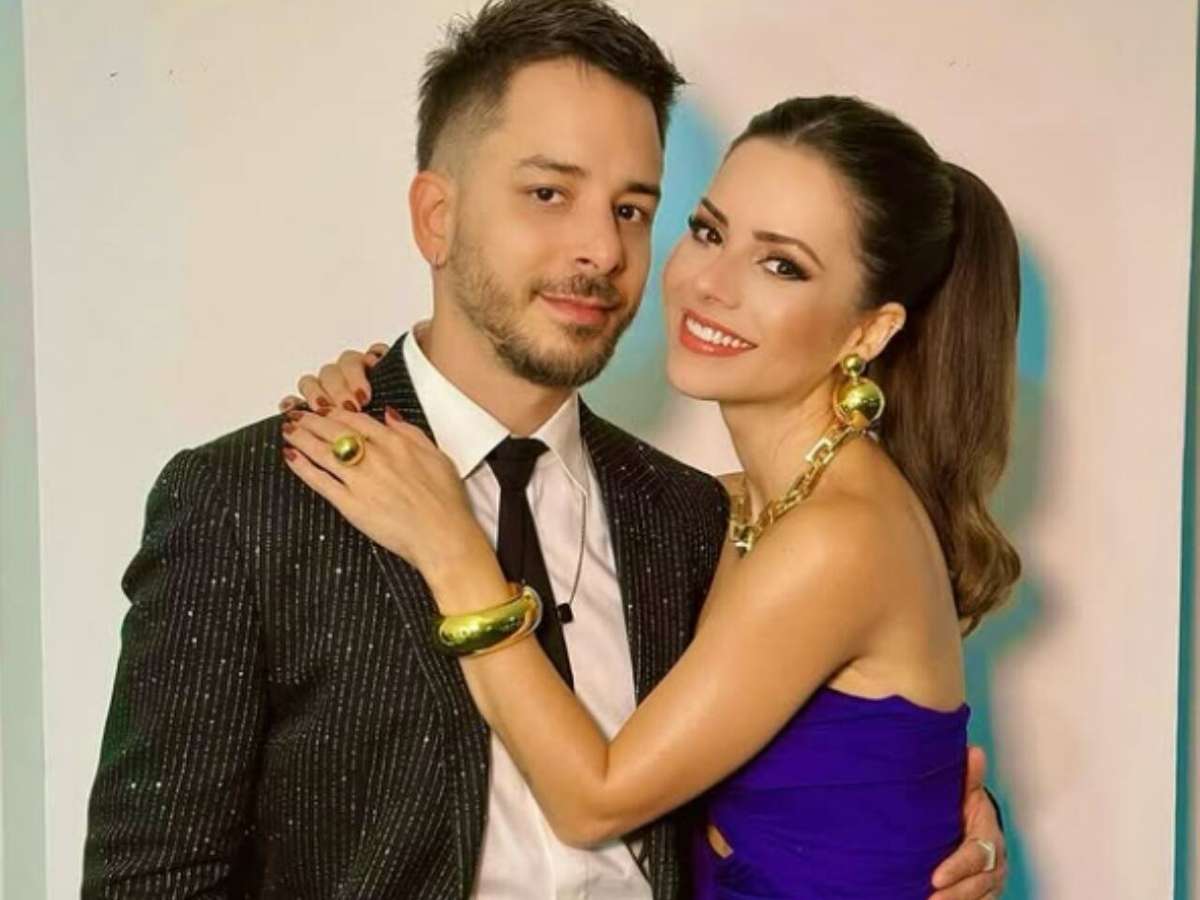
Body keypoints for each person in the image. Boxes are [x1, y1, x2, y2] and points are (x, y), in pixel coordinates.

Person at [82, 1, 1007, 897]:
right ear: (436, 217)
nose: (600, 248)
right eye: (548, 193)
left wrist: (937, 827)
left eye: (634, 209)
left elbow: (818, 751)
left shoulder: (691, 518)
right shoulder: (249, 501)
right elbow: (150, 881)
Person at [282, 90, 1020, 898]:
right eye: (708, 232)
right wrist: (393, 389)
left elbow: (594, 802)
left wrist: (450, 546)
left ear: (870, 330)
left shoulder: (837, 536)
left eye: (781, 265)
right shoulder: (729, 510)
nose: (711, 284)